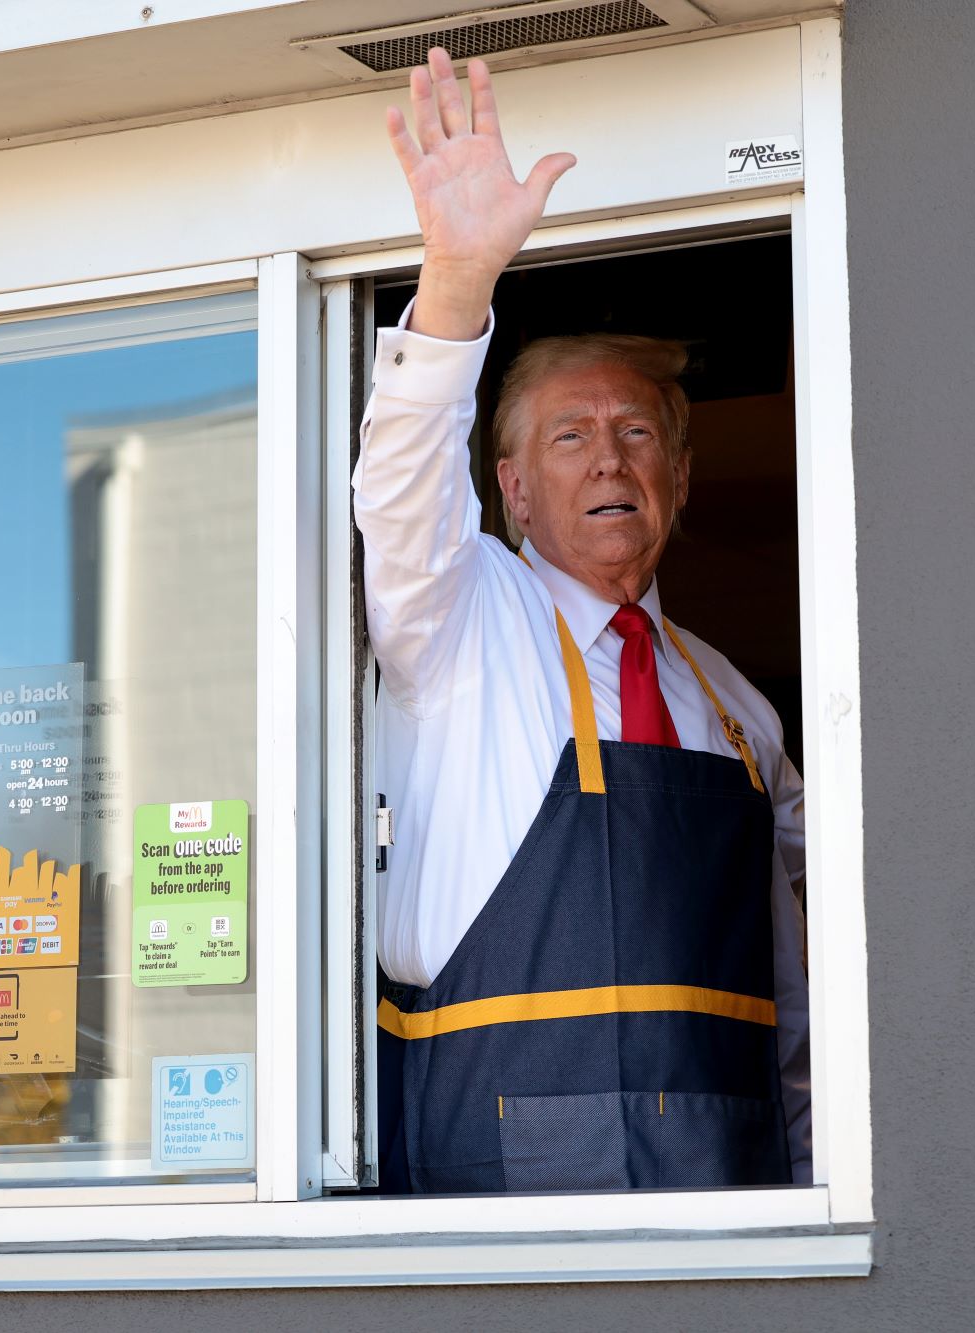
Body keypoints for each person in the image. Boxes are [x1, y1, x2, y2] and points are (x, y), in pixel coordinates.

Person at [355, 47, 811, 1194]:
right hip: (498, 1200)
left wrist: (814, 1174)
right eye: (569, 435)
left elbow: (796, 986)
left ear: (681, 477)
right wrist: (457, 283)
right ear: (509, 489)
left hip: (728, 1197)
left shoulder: (733, 704)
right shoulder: (459, 619)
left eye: (638, 432)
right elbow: (404, 491)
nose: (609, 457)